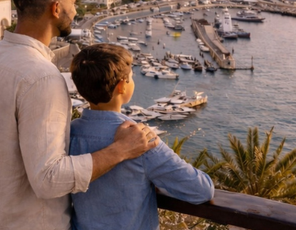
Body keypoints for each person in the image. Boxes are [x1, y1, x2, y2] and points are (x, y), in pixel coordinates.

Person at [0, 0, 159, 230]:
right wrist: (120, 150)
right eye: (73, 3)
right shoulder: (42, 78)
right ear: (55, 8)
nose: (75, 11)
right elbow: (49, 179)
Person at [69, 44, 215, 230]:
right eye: (131, 78)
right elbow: (201, 190)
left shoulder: (68, 134)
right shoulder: (140, 140)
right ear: (121, 86)